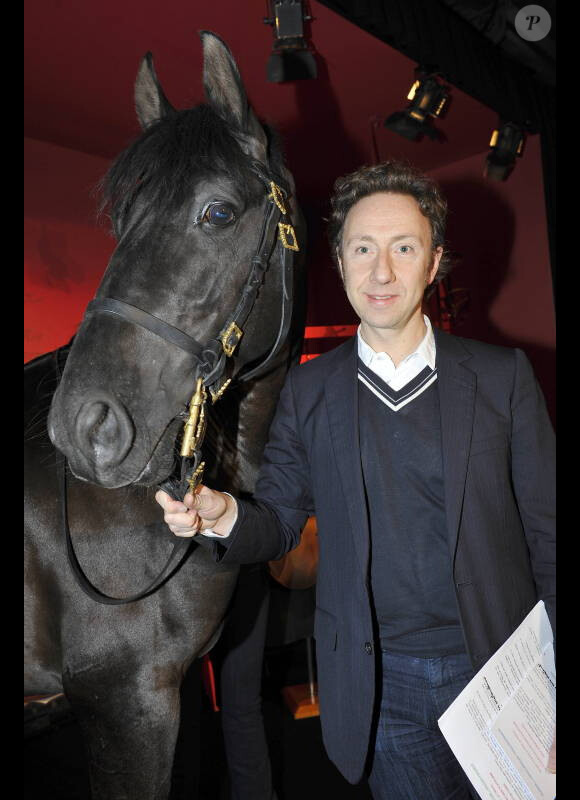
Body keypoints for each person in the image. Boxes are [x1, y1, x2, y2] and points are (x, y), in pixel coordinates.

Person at [156, 161, 556, 799]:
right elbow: (281, 518)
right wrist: (220, 514)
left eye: (405, 248)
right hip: (379, 688)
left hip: (499, 673)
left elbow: (550, 535)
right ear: (339, 264)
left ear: (433, 263)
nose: (382, 271)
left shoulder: (502, 378)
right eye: (362, 249)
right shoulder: (310, 391)